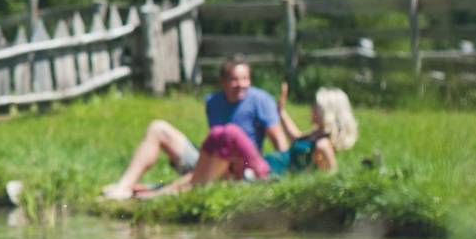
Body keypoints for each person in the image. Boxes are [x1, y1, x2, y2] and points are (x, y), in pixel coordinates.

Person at [101, 56, 289, 200]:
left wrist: (284, 173)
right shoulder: (213, 102)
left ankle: (162, 192)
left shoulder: (260, 100)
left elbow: (279, 141)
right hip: (211, 159)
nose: (241, 85)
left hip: (241, 167)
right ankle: (125, 186)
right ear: (223, 82)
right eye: (235, 79)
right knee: (158, 128)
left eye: (245, 79)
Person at [135, 84, 357, 197]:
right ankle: (153, 191)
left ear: (328, 111)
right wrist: (281, 111)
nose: (312, 110)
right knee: (217, 168)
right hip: (265, 165)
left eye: (316, 107)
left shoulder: (323, 145)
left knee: (230, 134)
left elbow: (331, 179)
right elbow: (295, 137)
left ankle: (156, 193)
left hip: (266, 174)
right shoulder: (314, 136)